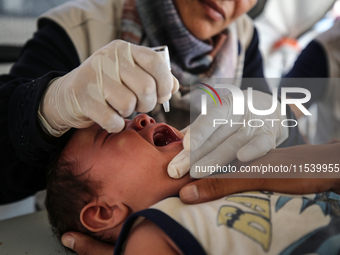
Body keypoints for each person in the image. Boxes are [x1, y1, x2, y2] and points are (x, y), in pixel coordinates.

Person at [46, 114, 340, 255]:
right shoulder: (150, 232)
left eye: (126, 117)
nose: (142, 117)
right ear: (105, 212)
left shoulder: (243, 168)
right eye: (109, 134)